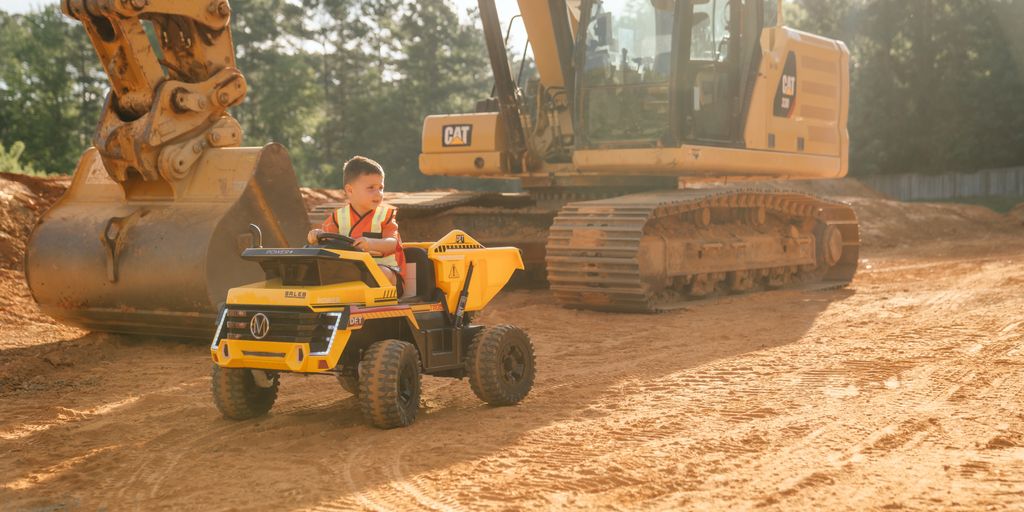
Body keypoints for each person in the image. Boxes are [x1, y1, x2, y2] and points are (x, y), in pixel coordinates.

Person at [307, 156, 406, 292]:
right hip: (353, 271)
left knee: (380, 272)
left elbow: (393, 244)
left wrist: (371, 244)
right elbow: (326, 240)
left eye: (381, 188)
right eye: (371, 188)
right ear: (350, 190)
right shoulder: (338, 217)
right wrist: (316, 235)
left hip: (388, 274)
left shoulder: (385, 216)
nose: (378, 193)